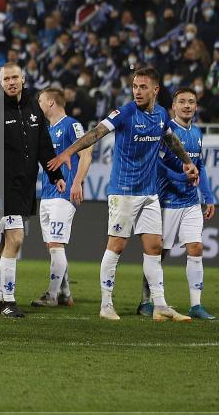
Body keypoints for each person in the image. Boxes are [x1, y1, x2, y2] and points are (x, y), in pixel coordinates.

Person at [48, 67, 198, 322]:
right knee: (116, 246)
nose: (137, 91)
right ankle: (106, 304)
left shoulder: (162, 114)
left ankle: (160, 305)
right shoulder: (126, 112)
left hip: (149, 194)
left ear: (155, 90)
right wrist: (68, 152)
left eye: (142, 87)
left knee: (154, 247)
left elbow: (171, 139)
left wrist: (186, 161)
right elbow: (97, 133)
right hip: (123, 192)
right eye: (134, 87)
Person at [0, 63, 65, 319]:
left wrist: (55, 175)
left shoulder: (33, 108)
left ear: (23, 79)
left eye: (14, 77)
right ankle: (8, 300)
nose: (11, 82)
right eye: (6, 78)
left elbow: (43, 143)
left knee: (6, 242)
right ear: (1, 83)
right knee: (16, 239)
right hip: (3, 187)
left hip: (26, 187)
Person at [137, 88, 217, 320]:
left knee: (196, 249)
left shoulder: (197, 132)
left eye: (191, 102)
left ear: (196, 106)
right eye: (182, 101)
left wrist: (208, 196)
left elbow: (199, 166)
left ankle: (196, 305)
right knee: (157, 254)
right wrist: (182, 177)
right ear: (173, 106)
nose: (187, 105)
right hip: (166, 201)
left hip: (190, 202)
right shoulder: (165, 131)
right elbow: (158, 166)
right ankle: (146, 301)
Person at [31, 87, 92, 308]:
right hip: (47, 194)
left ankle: (52, 295)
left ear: (50, 102)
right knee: (52, 246)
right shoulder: (47, 129)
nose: (37, 104)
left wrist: (77, 182)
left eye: (40, 100)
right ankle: (65, 294)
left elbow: (86, 152)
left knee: (56, 244)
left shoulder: (71, 125)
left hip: (63, 193)